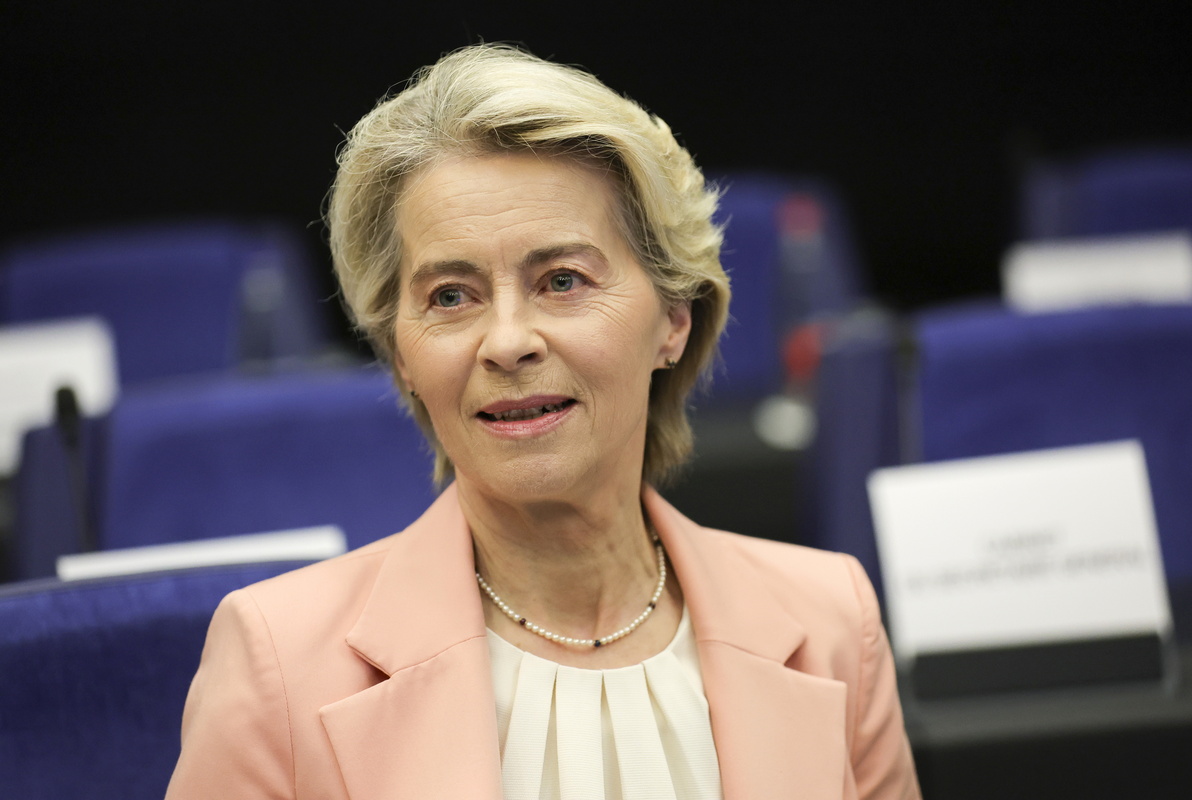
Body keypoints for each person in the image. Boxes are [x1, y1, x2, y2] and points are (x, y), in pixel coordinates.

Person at [166, 44, 920, 799]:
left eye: (562, 281)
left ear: (673, 319)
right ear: (400, 356)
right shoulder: (279, 664)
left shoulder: (831, 622)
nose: (506, 342)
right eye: (450, 296)